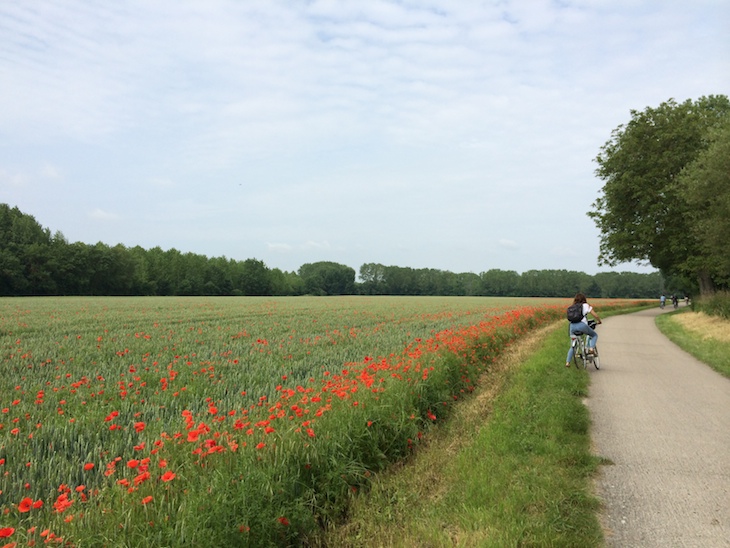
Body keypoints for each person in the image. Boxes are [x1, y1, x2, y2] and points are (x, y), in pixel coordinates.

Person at [566, 293, 602, 367]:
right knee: (594, 335)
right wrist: (599, 321)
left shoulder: (572, 307)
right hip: (582, 326)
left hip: (572, 326)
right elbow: (595, 315)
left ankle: (567, 362)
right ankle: (591, 348)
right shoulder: (585, 305)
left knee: (573, 344)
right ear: (584, 299)